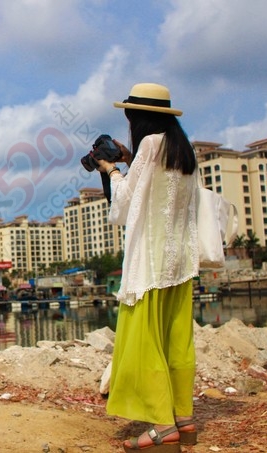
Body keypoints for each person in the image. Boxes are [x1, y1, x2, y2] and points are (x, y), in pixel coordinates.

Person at [95, 83, 199, 452]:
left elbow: (123, 204)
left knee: (145, 345)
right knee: (176, 342)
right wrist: (128, 158)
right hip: (180, 262)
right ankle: (183, 418)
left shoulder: (150, 146)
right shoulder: (182, 151)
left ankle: (161, 425)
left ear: (138, 117)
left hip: (150, 265)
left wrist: (110, 170)